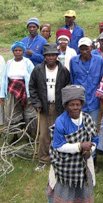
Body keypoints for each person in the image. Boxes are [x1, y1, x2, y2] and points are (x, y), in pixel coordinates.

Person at [47, 85, 99, 203]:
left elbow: (95, 139)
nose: (75, 108)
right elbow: (58, 146)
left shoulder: (87, 119)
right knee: (65, 191)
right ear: (66, 106)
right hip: (65, 164)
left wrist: (90, 150)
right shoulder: (61, 121)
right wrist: (79, 146)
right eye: (72, 105)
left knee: (81, 190)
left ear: (82, 104)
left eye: (78, 104)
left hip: (82, 163)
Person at [29, 43, 71, 171]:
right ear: (44, 56)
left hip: (59, 107)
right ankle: (43, 159)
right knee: (44, 135)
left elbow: (67, 88)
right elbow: (32, 87)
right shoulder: (38, 69)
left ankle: (59, 158)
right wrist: (37, 103)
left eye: (53, 55)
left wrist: (66, 105)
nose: (51, 57)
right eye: (48, 55)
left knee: (59, 133)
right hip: (43, 106)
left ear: (57, 56)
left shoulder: (63, 70)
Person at [0, 41, 35, 142]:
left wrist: (32, 92)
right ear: (13, 52)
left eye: (20, 50)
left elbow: (33, 76)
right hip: (12, 91)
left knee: (28, 113)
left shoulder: (27, 62)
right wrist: (2, 95)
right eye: (16, 50)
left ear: (23, 51)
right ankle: (15, 135)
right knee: (13, 113)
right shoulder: (9, 63)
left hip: (25, 90)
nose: (18, 52)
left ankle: (29, 135)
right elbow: (4, 79)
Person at [69, 37, 103, 130]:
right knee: (79, 128)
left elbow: (102, 79)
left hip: (94, 101)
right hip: (79, 102)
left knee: (93, 128)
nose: (84, 51)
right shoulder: (73, 61)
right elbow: (72, 79)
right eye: (82, 49)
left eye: (87, 49)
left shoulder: (99, 60)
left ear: (91, 48)